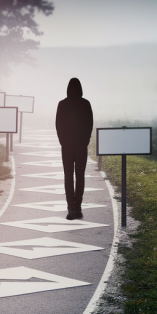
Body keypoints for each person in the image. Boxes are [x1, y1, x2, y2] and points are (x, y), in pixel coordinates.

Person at [56, 78, 93, 220]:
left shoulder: (62, 104)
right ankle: (78, 208)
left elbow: (58, 125)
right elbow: (90, 124)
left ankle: (70, 209)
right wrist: (85, 141)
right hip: (81, 146)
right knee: (80, 176)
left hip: (67, 146)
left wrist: (63, 142)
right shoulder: (86, 104)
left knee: (68, 176)